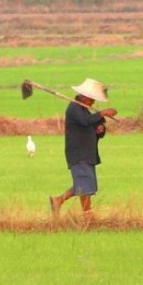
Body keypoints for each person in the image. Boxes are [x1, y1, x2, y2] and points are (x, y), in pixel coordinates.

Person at [49, 78, 118, 216]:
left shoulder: (85, 111)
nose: (93, 102)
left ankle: (59, 201)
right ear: (85, 97)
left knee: (85, 185)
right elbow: (86, 121)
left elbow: (94, 129)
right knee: (84, 185)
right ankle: (87, 215)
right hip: (78, 154)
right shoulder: (74, 108)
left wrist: (100, 130)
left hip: (88, 153)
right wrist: (102, 113)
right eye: (92, 99)